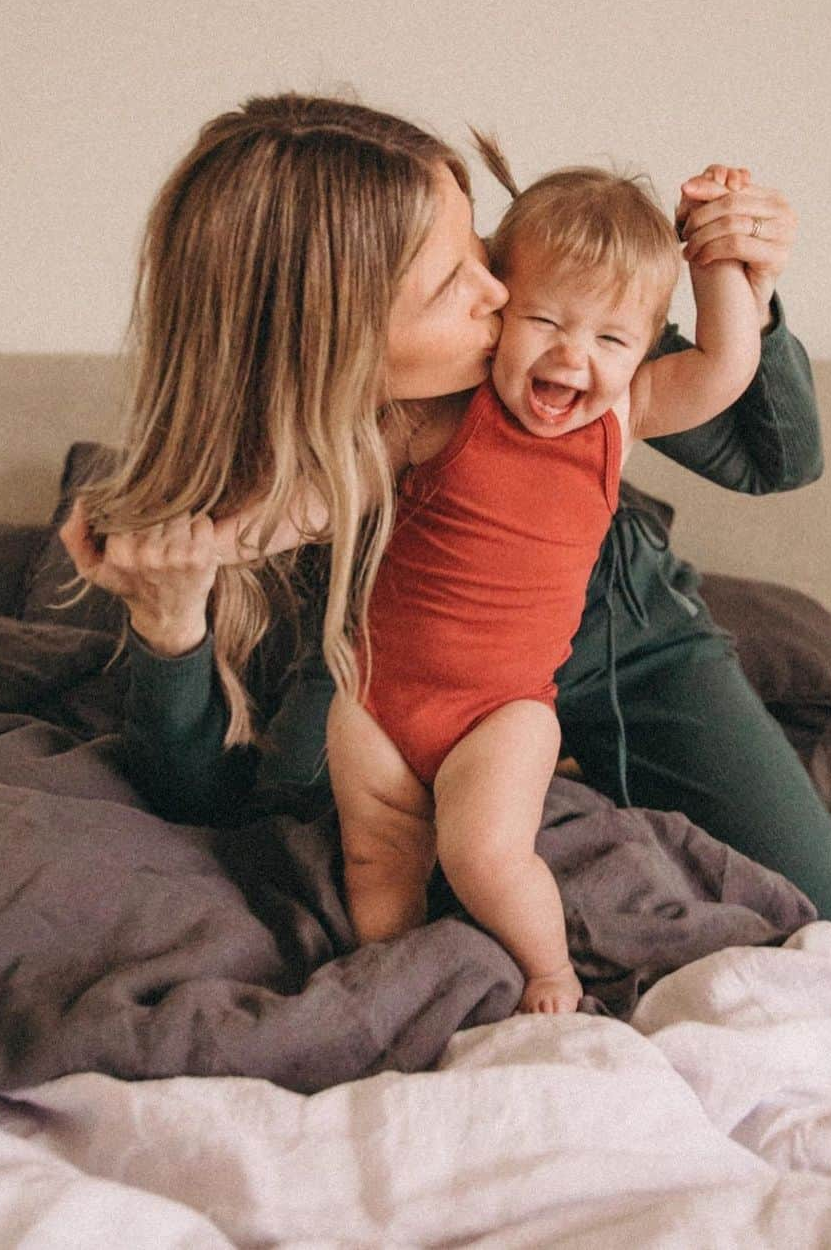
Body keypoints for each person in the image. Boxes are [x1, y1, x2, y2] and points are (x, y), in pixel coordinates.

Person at [60, 93, 831, 938]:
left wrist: (743, 281)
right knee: (318, 839)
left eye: (481, 246)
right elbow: (201, 801)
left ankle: (550, 766)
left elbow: (773, 456)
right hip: (396, 654)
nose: (499, 288)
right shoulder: (280, 491)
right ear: (338, 335)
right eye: (457, 279)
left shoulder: (548, 333)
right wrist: (170, 628)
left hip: (615, 620)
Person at [328, 141, 765, 1012]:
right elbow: (329, 475)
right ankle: (397, 978)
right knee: (376, 859)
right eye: (545, 322)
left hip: (504, 710)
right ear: (497, 308)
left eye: (611, 337)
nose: (575, 356)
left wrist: (716, 261)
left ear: (642, 349)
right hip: (374, 694)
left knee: (485, 853)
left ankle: (548, 969)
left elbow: (727, 367)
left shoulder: (622, 416)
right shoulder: (444, 408)